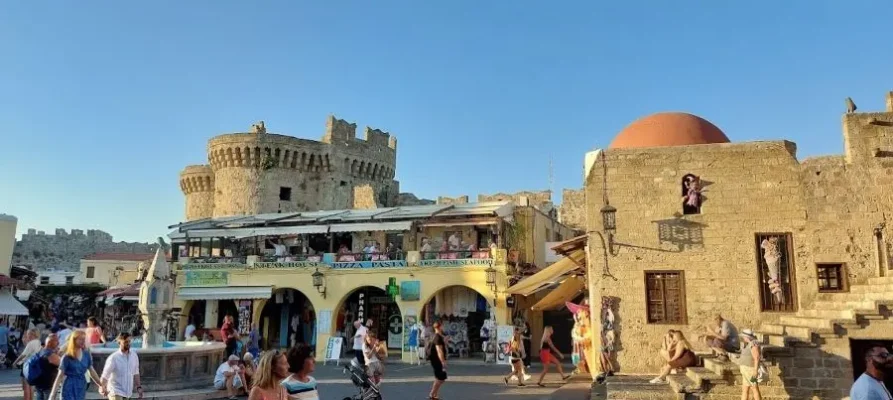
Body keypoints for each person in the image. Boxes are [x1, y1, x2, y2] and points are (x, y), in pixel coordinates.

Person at [49, 330, 102, 400]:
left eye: (84, 339)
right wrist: (52, 395)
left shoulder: (86, 354)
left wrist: (101, 385)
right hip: (69, 386)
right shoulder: (67, 357)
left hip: (81, 385)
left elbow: (91, 371)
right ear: (74, 340)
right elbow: (59, 376)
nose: (83, 341)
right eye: (80, 339)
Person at [99, 333, 142, 400]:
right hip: (115, 391)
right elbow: (105, 375)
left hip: (128, 392)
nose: (128, 343)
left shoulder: (134, 356)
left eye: (129, 341)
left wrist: (139, 387)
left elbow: (136, 372)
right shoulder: (114, 358)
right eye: (125, 342)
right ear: (119, 343)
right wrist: (101, 387)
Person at [735, 329, 763, 400]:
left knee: (754, 388)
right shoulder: (749, 343)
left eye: (744, 337)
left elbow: (756, 357)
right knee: (745, 388)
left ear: (747, 337)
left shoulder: (754, 344)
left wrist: (755, 370)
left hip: (750, 370)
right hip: (746, 370)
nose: (743, 338)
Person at [33, 334, 63, 400]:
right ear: (49, 343)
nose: (58, 343)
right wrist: (60, 355)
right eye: (56, 341)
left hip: (39, 384)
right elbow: (62, 364)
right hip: (48, 386)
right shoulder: (50, 354)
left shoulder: (42, 351)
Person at [15, 328, 42, 400]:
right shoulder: (38, 342)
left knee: (25, 387)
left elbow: (23, 355)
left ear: (33, 334)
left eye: (28, 334)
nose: (27, 335)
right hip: (34, 365)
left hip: (28, 366)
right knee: (31, 387)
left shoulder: (31, 343)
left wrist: (15, 362)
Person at [427, 321, 448, 400]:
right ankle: (432, 394)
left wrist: (445, 342)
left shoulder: (436, 336)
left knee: (440, 378)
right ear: (440, 327)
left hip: (436, 360)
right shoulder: (437, 337)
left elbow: (440, 347)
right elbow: (439, 350)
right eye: (443, 326)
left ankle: (434, 394)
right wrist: (443, 361)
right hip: (437, 360)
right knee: (440, 378)